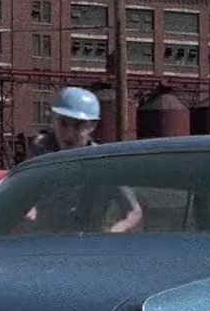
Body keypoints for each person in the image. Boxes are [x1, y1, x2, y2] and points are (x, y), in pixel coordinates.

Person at [26, 87, 142, 234]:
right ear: (53, 119)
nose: (68, 134)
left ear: (92, 125)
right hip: (45, 239)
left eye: (77, 126)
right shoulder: (40, 154)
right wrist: (28, 212)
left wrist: (115, 230)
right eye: (63, 123)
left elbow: (134, 212)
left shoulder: (103, 163)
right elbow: (22, 197)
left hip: (87, 241)